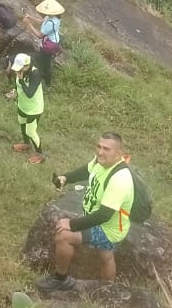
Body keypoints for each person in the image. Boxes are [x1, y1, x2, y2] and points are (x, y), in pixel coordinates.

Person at [39, 131, 135, 291]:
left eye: (106, 149)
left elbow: (104, 215)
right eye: (99, 146)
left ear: (119, 154)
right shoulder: (102, 162)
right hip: (102, 221)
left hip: (108, 229)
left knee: (63, 236)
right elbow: (87, 170)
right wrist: (66, 178)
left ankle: (61, 279)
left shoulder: (120, 179)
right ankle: (108, 290)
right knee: (106, 256)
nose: (100, 152)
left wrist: (72, 224)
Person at [9, 53, 46, 164]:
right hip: (22, 105)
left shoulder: (35, 74)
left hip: (34, 109)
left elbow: (30, 93)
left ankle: (40, 155)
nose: (17, 71)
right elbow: (17, 85)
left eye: (20, 68)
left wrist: (21, 80)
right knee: (22, 123)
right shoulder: (20, 71)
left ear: (27, 66)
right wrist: (14, 92)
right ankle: (26, 144)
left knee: (30, 131)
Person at [20, 0, 64, 84]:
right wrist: (31, 17)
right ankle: (43, 72)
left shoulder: (51, 24)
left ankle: (47, 83)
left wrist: (28, 24)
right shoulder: (54, 17)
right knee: (44, 60)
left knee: (46, 64)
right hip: (52, 40)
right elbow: (41, 21)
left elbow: (39, 35)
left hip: (49, 45)